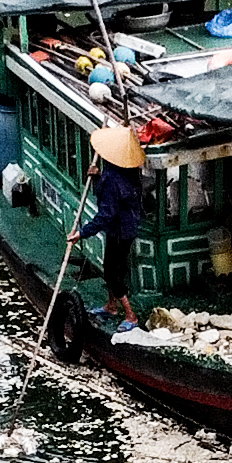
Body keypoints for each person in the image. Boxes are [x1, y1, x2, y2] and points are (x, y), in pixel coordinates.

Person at [71, 125, 145, 333]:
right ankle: (110, 306)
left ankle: (131, 315)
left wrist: (81, 233)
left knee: (113, 274)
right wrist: (97, 176)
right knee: (110, 267)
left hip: (120, 230)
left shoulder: (113, 179)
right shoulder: (128, 171)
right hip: (125, 226)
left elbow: (106, 214)